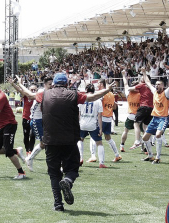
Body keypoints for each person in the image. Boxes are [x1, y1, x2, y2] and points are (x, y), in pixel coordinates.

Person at [41, 73, 116, 212]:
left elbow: (28, 94)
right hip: (69, 139)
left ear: (54, 83)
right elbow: (92, 97)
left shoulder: (44, 95)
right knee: (72, 168)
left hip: (50, 140)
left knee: (54, 173)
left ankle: (58, 204)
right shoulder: (73, 94)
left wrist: (18, 84)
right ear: (67, 83)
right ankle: (68, 181)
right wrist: (107, 89)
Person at [141, 67, 169, 164]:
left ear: (163, 86)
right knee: (144, 138)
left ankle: (158, 157)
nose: (156, 86)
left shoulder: (166, 93)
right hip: (154, 118)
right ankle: (150, 156)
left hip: (163, 118)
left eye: (159, 84)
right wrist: (144, 72)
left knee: (158, 135)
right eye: (156, 84)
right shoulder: (154, 92)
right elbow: (148, 82)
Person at [11, 76, 53, 171]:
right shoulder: (42, 92)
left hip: (43, 120)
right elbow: (29, 95)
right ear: (45, 84)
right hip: (36, 121)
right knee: (44, 143)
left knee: (47, 142)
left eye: (52, 84)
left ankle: (51, 163)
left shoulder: (48, 92)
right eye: (50, 84)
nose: (52, 86)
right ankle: (31, 158)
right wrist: (20, 84)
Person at [77, 84, 107, 168]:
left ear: (86, 89)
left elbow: (78, 114)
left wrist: (77, 124)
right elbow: (99, 116)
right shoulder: (98, 100)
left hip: (82, 123)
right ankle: (101, 163)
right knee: (99, 143)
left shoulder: (82, 98)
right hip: (93, 124)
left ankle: (80, 158)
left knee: (80, 140)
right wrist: (100, 128)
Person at [10, 80, 37, 158]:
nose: (33, 91)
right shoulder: (25, 95)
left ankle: (30, 151)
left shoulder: (38, 96)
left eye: (34, 89)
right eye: (32, 89)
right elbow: (19, 89)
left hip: (34, 118)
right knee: (26, 135)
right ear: (28, 89)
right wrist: (13, 84)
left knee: (32, 135)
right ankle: (27, 149)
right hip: (26, 118)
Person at [128, 69, 154, 149]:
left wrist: (129, 86)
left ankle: (137, 141)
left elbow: (129, 89)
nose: (141, 79)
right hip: (151, 108)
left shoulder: (142, 85)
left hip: (143, 107)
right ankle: (148, 143)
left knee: (136, 123)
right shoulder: (152, 87)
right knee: (146, 127)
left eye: (142, 77)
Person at [98, 79, 122, 162]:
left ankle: (93, 156)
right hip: (109, 118)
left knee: (95, 137)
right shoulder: (111, 94)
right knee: (108, 138)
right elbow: (114, 107)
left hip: (102, 118)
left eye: (98, 83)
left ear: (102, 84)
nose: (97, 84)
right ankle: (117, 155)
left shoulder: (102, 94)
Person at [119, 70, 140, 152]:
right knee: (142, 131)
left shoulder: (128, 93)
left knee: (126, 131)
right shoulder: (140, 94)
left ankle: (122, 145)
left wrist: (124, 75)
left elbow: (125, 84)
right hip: (138, 115)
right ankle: (144, 148)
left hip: (130, 115)